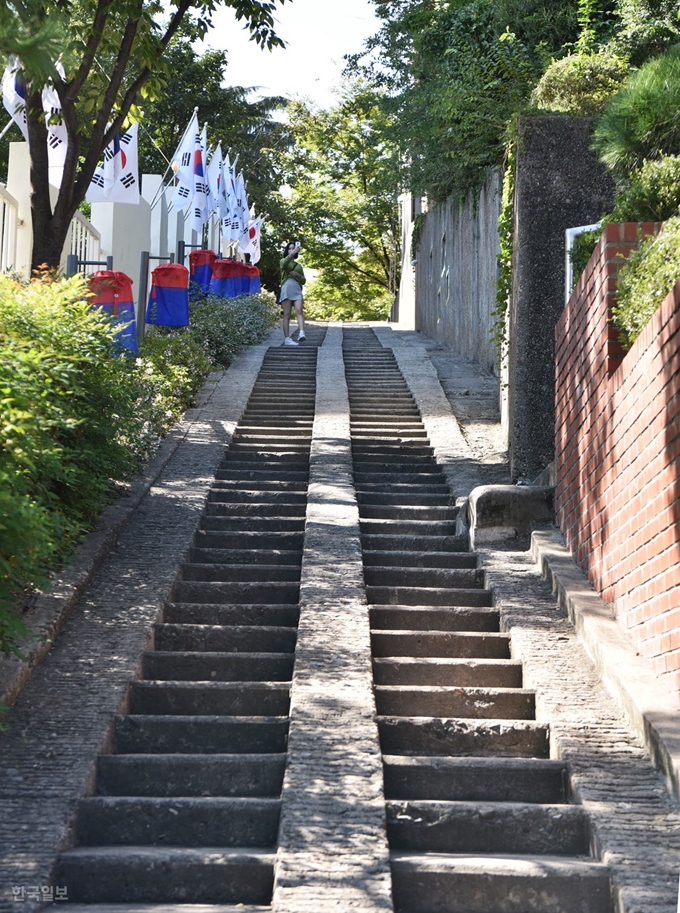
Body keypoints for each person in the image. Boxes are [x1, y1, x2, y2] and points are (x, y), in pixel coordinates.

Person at [279, 240, 306, 346]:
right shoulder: (283, 261)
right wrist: (292, 253)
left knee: (299, 310)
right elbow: (284, 263)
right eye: (289, 248)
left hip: (297, 289)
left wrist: (297, 275)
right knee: (287, 314)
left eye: (293, 248)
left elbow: (304, 281)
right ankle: (287, 338)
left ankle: (302, 333)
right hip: (286, 288)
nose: (291, 250)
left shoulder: (298, 266)